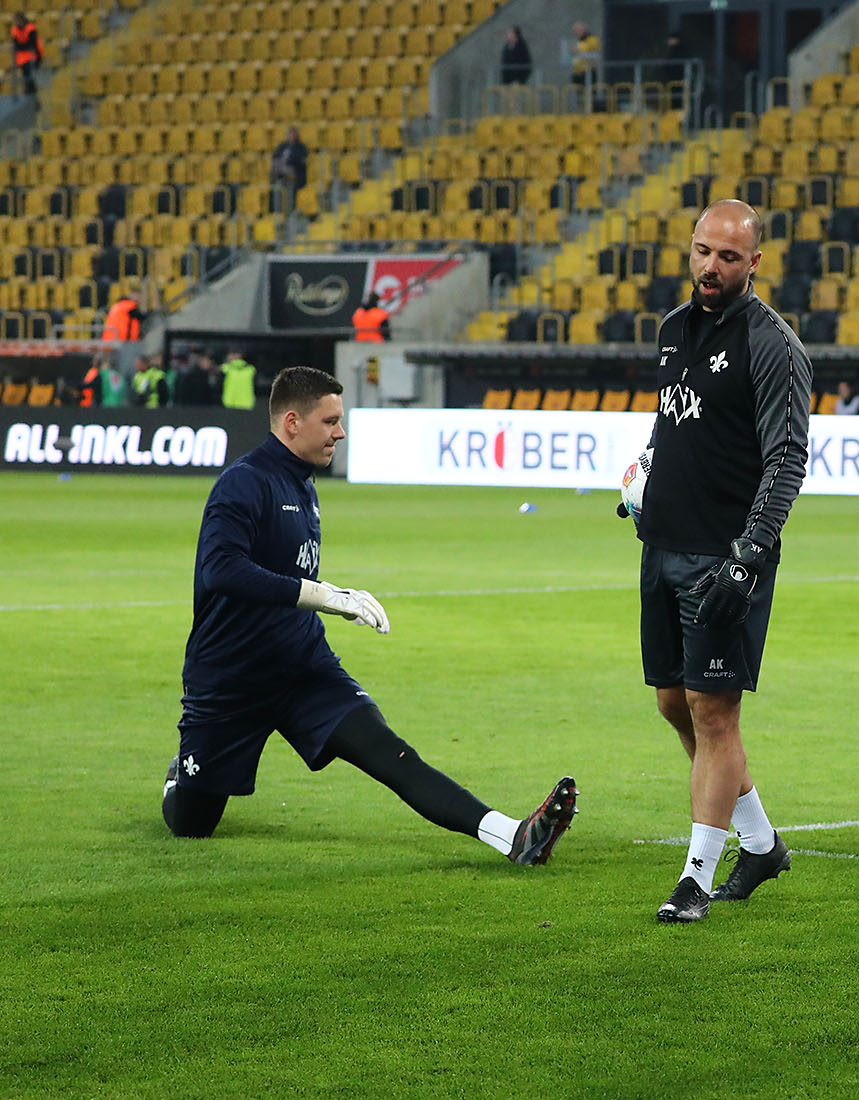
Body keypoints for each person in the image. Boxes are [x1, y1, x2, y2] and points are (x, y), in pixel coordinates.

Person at [164, 366, 579, 862]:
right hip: (230, 679)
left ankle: (513, 837)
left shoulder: (303, 485)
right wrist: (321, 595)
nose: (340, 432)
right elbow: (221, 570)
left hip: (301, 667)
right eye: (331, 420)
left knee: (390, 753)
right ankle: (179, 775)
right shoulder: (244, 484)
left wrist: (318, 600)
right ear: (292, 422)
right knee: (193, 823)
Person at [628, 199, 812, 923]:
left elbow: (787, 457)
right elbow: (671, 417)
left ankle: (696, 878)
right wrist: (646, 470)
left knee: (713, 714)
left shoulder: (773, 345)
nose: (712, 266)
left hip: (723, 555)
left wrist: (751, 552)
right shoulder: (674, 328)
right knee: (674, 702)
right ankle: (762, 845)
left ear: (755, 263)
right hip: (662, 543)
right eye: (704, 251)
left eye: (729, 256)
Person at [269, 127, 308, 213]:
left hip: (296, 174)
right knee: (277, 185)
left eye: (292, 134)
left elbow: (302, 161)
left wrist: (288, 168)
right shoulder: (282, 146)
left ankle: (289, 210)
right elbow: (275, 158)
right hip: (282, 173)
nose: (290, 136)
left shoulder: (301, 147)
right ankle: (277, 211)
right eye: (288, 134)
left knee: (288, 182)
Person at [11, 12, 39, 99]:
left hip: (31, 57)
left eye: (17, 20)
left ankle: (33, 97)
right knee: (25, 78)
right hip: (21, 58)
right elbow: (15, 45)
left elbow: (32, 45)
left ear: (21, 20)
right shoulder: (15, 29)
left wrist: (22, 46)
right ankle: (29, 95)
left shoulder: (30, 28)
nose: (16, 22)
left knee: (29, 77)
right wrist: (23, 46)